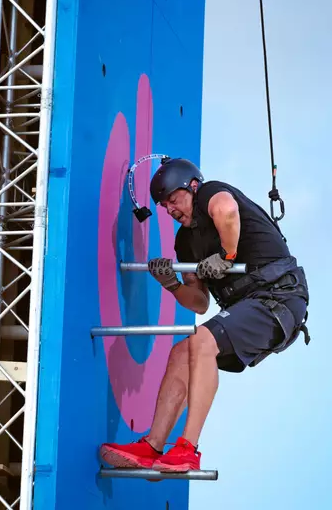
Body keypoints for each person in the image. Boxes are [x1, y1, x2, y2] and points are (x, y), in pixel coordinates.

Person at [99, 157, 309, 473]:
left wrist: (227, 255)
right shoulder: (185, 242)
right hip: (250, 306)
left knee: (199, 343)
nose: (170, 210)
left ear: (193, 186)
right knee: (181, 353)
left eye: (173, 199)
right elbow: (198, 302)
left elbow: (226, 211)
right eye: (164, 206)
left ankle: (187, 449)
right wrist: (170, 284)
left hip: (277, 298)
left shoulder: (212, 193)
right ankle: (153, 447)